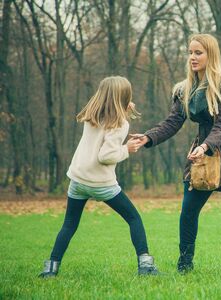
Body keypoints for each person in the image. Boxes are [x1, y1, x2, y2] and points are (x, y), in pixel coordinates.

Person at [132, 33, 221, 273]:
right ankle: (185, 264)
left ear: (211, 54)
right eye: (190, 52)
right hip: (203, 158)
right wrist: (148, 137)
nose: (192, 57)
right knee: (188, 210)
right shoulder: (185, 89)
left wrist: (204, 146)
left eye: (198, 52)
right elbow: (172, 122)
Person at [39, 76, 159, 278]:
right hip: (101, 183)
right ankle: (145, 266)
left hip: (77, 180)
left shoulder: (91, 115)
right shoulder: (120, 123)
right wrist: (127, 149)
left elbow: (106, 125)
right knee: (133, 218)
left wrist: (124, 108)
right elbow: (106, 156)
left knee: (69, 224)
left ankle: (50, 269)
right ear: (124, 97)